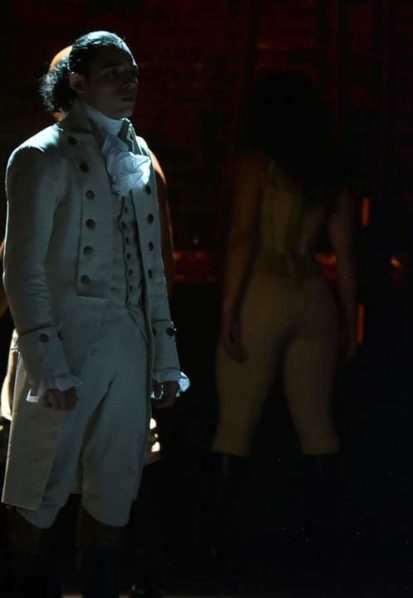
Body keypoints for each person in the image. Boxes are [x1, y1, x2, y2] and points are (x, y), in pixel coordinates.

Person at [3, 31, 187, 597]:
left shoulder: (138, 155)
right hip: (66, 344)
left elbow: (153, 268)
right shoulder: (40, 156)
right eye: (113, 72)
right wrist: (46, 362)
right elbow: (21, 270)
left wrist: (164, 356)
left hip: (128, 346)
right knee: (39, 486)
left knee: (114, 490)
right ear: (78, 82)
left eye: (132, 73)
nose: (129, 83)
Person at [208, 71, 357, 563]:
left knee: (234, 426)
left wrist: (228, 307)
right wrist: (348, 319)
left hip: (264, 291)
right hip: (314, 294)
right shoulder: (328, 169)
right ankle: (327, 548)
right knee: (318, 428)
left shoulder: (257, 162)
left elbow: (242, 237)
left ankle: (219, 547)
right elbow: (345, 253)